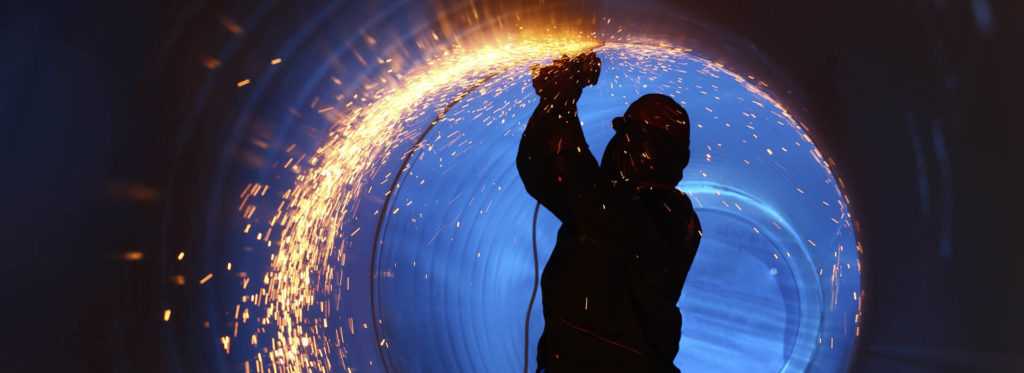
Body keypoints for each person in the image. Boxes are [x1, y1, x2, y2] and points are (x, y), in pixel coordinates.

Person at [517, 51, 702, 372]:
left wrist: (563, 109)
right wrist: (551, 105)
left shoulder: (671, 215)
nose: (621, 144)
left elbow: (596, 204)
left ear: (655, 149)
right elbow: (539, 173)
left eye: (633, 135)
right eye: (622, 133)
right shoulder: (605, 202)